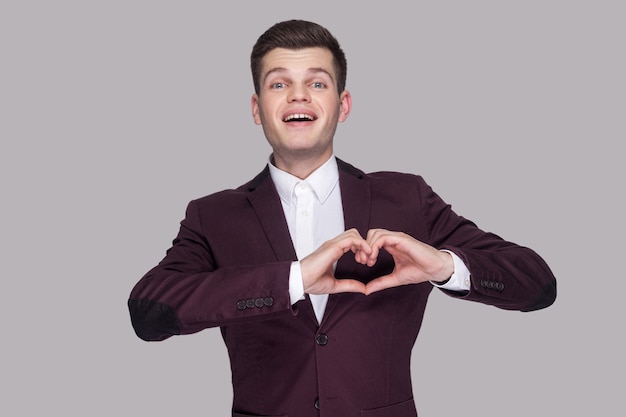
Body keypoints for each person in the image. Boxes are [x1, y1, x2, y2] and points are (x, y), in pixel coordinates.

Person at [128, 19, 557, 417]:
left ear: (343, 104)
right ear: (257, 108)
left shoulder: (407, 197)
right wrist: (292, 281)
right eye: (280, 83)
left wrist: (445, 266)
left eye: (317, 82)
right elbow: (148, 312)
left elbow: (537, 284)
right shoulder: (213, 215)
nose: (299, 95)